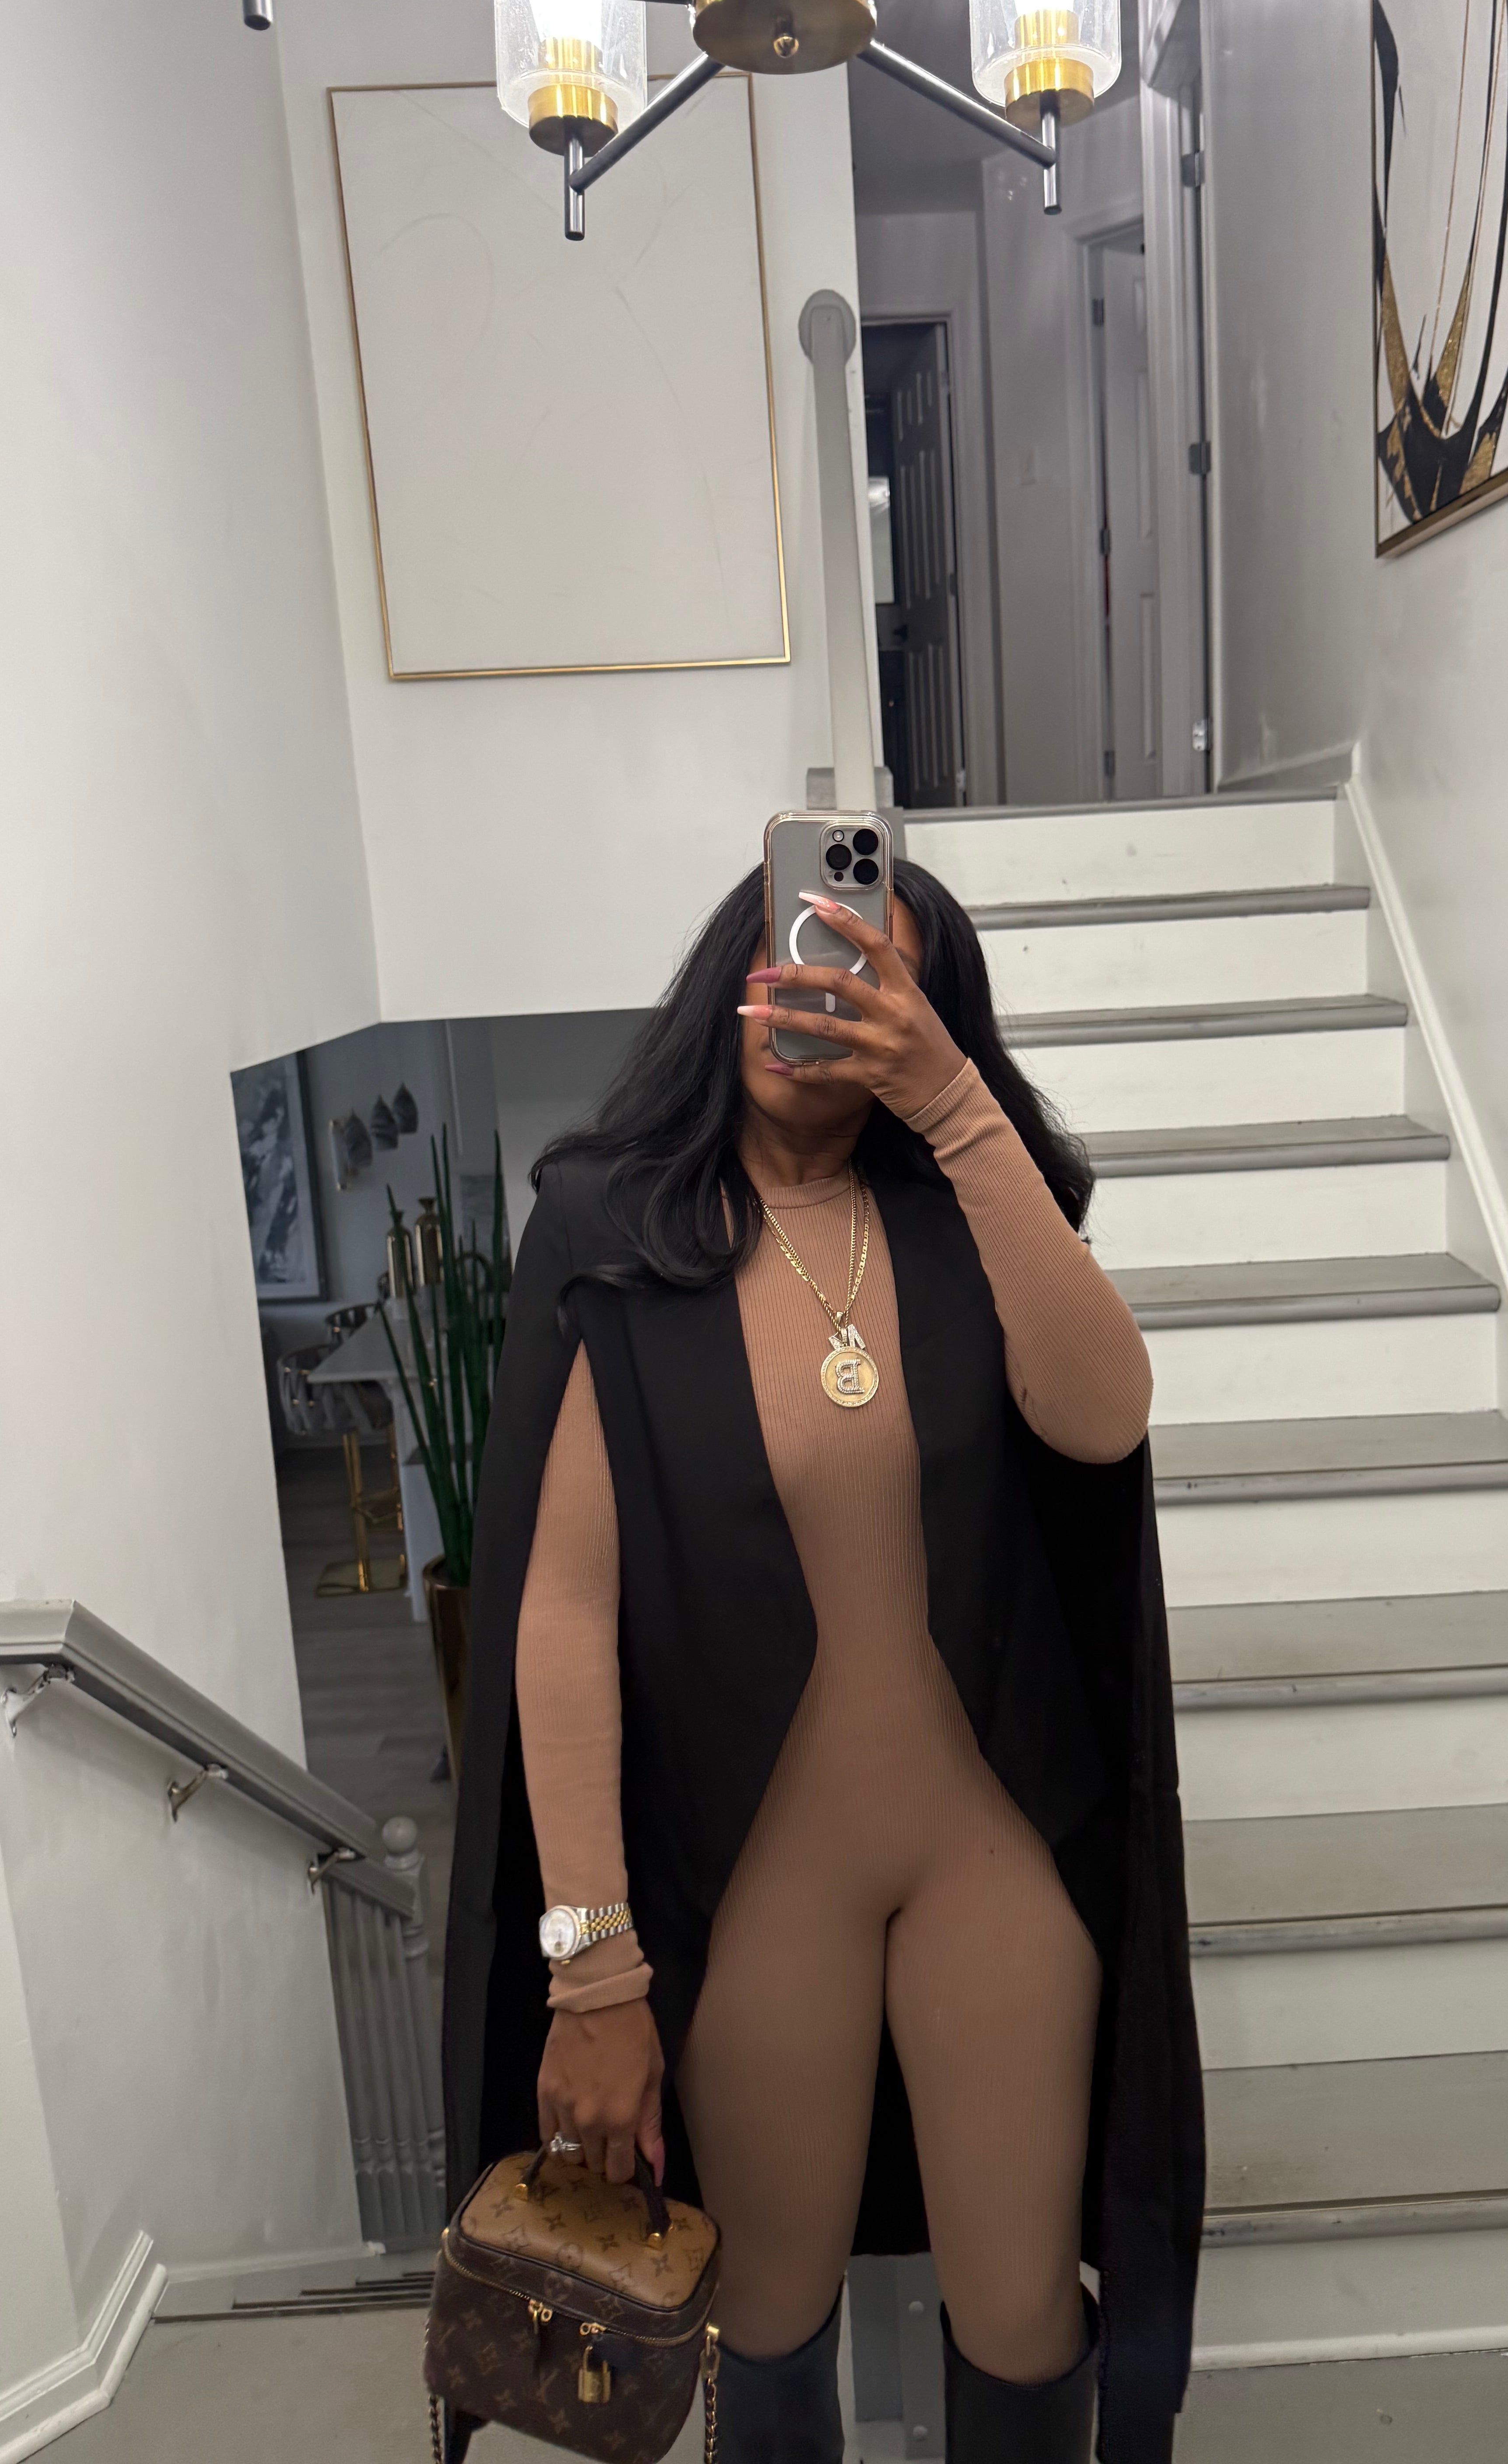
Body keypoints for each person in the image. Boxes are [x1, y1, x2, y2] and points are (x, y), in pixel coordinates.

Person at [441, 858, 1203, 2463]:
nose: (822, 1004)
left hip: (994, 1858)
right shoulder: (613, 1230)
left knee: (1021, 2314)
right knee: (767, 2313)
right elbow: (561, 1611)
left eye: (872, 981)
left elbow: (1102, 1419)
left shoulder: (966, 1209)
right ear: (735, 978)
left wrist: (958, 1109)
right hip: (756, 1879)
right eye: (801, 958)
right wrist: (594, 1969)